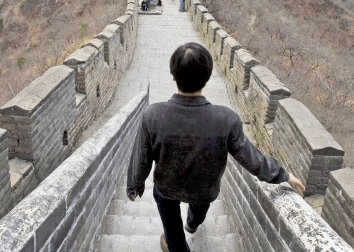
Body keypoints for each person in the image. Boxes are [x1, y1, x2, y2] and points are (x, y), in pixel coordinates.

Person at [127, 43, 304, 252]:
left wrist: (135, 184)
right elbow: (251, 157)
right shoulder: (226, 119)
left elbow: (142, 157)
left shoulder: (153, 116)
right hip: (205, 189)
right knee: (200, 205)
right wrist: (281, 174)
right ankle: (192, 224)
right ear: (208, 76)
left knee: (173, 236)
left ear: (173, 76)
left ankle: (175, 241)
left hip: (167, 189)